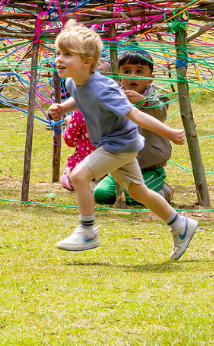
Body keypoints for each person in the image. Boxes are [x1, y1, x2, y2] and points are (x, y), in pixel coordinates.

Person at [47, 20, 198, 260]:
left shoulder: (105, 88)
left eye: (67, 54)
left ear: (87, 62)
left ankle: (87, 231)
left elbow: (135, 113)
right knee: (138, 191)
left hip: (119, 145)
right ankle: (180, 225)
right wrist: (63, 108)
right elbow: (80, 98)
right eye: (58, 53)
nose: (59, 59)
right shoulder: (73, 82)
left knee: (78, 175)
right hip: (116, 145)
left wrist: (169, 132)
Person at [92, 49, 174, 206]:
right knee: (100, 195)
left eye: (139, 71)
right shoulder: (113, 96)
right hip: (120, 166)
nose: (133, 75)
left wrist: (143, 102)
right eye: (127, 71)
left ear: (150, 79)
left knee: (134, 198)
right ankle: (124, 187)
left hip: (148, 166)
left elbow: (160, 112)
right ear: (120, 77)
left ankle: (164, 190)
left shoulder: (156, 97)